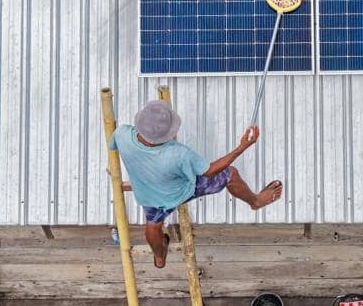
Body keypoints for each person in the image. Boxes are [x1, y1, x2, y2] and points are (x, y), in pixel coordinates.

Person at [110, 99, 283, 268]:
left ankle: (160, 257)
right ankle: (256, 202)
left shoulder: (122, 133)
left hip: (147, 196)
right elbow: (209, 171)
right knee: (231, 174)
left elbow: (113, 146)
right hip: (178, 193)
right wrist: (242, 147)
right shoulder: (178, 154)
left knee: (153, 225)